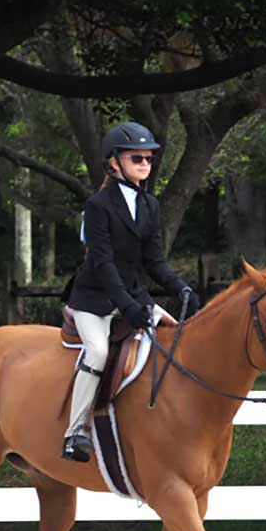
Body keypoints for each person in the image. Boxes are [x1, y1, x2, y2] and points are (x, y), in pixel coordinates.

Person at [62, 122, 200, 463]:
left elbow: (154, 261)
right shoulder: (98, 206)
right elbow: (104, 264)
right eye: (136, 158)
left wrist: (179, 286)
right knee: (95, 351)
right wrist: (128, 306)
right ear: (114, 163)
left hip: (133, 296)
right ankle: (74, 432)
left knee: (174, 337)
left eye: (149, 159)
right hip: (93, 300)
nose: (144, 164)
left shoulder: (150, 205)